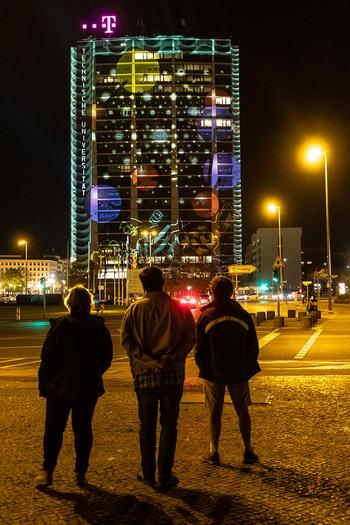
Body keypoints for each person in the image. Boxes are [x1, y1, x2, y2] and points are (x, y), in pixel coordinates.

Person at [121, 266, 196, 488]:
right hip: (172, 375)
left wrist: (149, 361)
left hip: (145, 376)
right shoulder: (179, 308)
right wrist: (170, 358)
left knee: (147, 425)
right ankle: (165, 473)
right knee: (169, 424)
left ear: (143, 285)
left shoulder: (134, 310)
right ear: (162, 282)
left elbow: (127, 343)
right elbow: (190, 338)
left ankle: (147, 472)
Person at [35, 285, 113, 487]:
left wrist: (44, 383)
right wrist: (95, 374)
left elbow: (47, 358)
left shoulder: (60, 327)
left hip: (59, 387)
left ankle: (48, 470)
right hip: (87, 387)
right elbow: (106, 358)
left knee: (53, 429)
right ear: (89, 304)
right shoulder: (99, 327)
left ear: (69, 304)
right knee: (83, 429)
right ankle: (80, 472)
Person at [195, 275, 260, 466]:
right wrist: (246, 368)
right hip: (239, 371)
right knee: (242, 411)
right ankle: (247, 450)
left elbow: (200, 349)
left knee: (214, 412)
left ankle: (214, 451)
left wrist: (205, 368)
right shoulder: (243, 315)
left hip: (214, 373)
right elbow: (253, 347)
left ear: (212, 292)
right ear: (232, 292)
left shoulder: (206, 316)